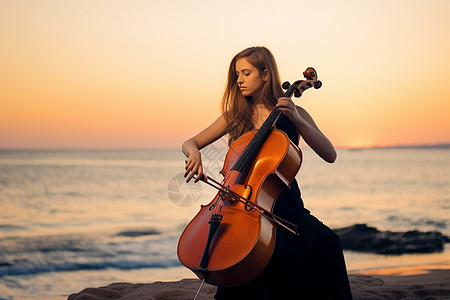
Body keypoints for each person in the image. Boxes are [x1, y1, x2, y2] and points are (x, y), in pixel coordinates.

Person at [182, 46, 353, 299]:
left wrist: (298, 119)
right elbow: (190, 143)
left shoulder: (293, 114)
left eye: (246, 73)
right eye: (237, 74)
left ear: (265, 75)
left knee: (328, 242)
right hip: (239, 204)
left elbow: (330, 154)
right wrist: (194, 153)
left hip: (286, 206)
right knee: (244, 255)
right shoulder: (235, 116)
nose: (238, 79)